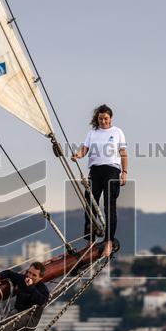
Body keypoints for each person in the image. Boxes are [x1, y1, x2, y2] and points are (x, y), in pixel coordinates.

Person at [71, 104, 128, 258]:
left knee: (109, 206)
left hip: (112, 170)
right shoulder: (92, 132)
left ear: (110, 118)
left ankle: (108, 242)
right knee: (90, 204)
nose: (103, 121)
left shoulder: (117, 132)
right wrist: (77, 155)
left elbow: (123, 153)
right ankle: (90, 242)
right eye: (101, 118)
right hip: (95, 170)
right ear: (97, 118)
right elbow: (85, 149)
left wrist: (124, 172)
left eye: (106, 119)